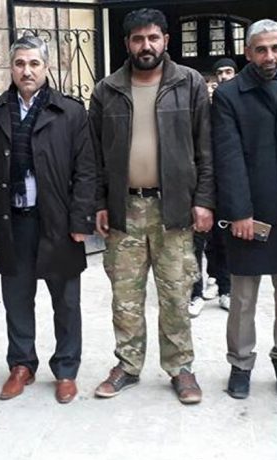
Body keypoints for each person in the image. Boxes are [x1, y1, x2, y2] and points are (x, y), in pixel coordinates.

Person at [90, 8, 214, 404]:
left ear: (166, 40)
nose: (147, 46)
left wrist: (205, 201)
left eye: (154, 38)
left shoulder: (189, 83)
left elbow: (205, 150)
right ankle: (127, 365)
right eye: (138, 39)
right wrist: (99, 203)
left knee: (176, 293)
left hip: (173, 209)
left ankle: (181, 369)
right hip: (125, 208)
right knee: (125, 296)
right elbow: (93, 156)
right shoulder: (107, 89)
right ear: (127, 43)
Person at [0, 34, 96, 404]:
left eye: (34, 64)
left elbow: (87, 170)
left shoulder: (70, 112)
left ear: (46, 67)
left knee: (66, 300)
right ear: (11, 68)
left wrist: (81, 221)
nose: (26, 71)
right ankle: (22, 365)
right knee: (16, 297)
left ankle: (65, 369)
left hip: (57, 221)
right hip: (12, 220)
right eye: (19, 64)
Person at [213, 19, 277, 402]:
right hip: (248, 212)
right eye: (260, 49)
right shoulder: (229, 95)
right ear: (248, 52)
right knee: (243, 297)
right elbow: (228, 156)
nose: (269, 56)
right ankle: (240, 363)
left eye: (275, 48)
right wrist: (238, 211)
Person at [189, 58, 237, 316]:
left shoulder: (234, 107)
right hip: (197, 186)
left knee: (224, 241)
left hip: (225, 186)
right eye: (218, 74)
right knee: (195, 244)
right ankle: (195, 293)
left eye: (229, 71)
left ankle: (225, 288)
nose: (223, 78)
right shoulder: (195, 110)